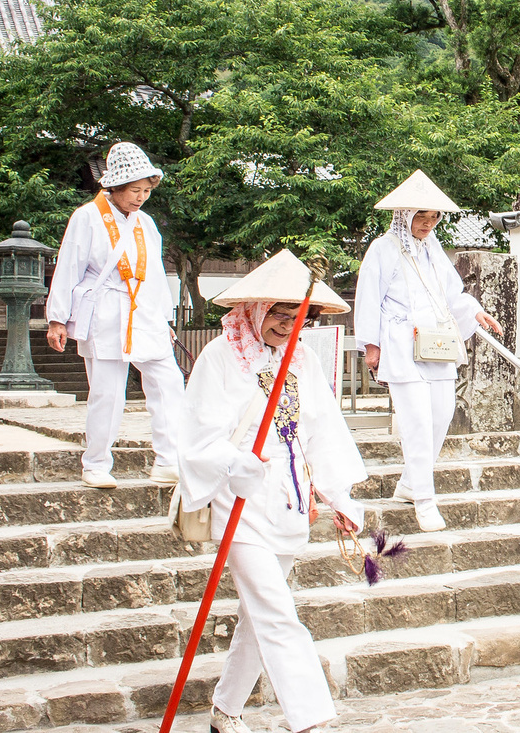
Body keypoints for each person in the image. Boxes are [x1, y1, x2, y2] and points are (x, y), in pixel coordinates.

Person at [177, 249, 367, 733]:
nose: (289, 327)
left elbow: (321, 431)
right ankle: (312, 719)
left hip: (289, 499)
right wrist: (233, 462)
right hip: (239, 499)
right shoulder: (220, 357)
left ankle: (225, 710)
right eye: (281, 315)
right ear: (257, 309)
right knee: (277, 612)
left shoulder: (302, 359)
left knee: (257, 615)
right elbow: (197, 434)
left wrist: (339, 495)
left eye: (300, 317)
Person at [352, 170, 502, 532]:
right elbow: (369, 296)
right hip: (400, 341)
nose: (428, 223)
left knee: (441, 415)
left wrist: (474, 311)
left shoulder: (433, 248)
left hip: (435, 341)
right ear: (405, 214)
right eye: (422, 215)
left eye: (434, 217)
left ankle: (409, 483)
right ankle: (424, 499)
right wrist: (371, 345)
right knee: (417, 421)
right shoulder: (383, 248)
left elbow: (451, 293)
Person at [45, 141, 183, 488]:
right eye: (135, 190)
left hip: (145, 311)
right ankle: (95, 464)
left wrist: (164, 318)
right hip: (105, 309)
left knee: (168, 382)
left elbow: (155, 273)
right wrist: (58, 318)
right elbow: (69, 266)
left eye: (146, 191)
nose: (141, 198)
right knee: (107, 393)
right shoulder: (87, 216)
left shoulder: (146, 223)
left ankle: (168, 459)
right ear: (117, 186)